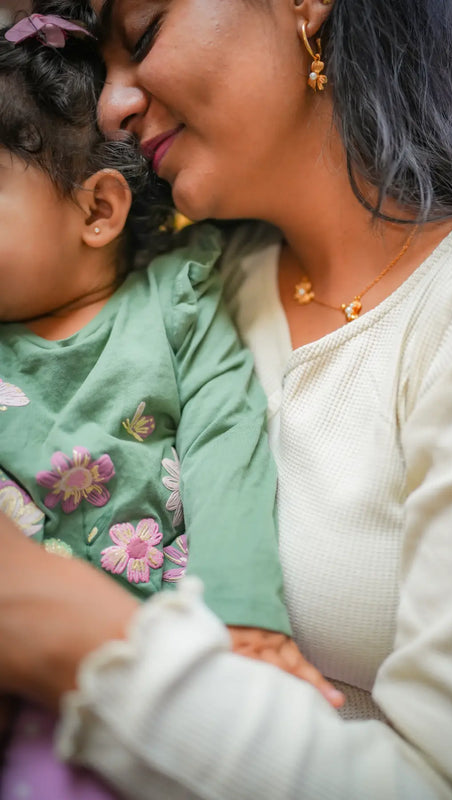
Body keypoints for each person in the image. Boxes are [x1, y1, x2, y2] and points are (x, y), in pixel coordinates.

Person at [0, 0, 452, 797]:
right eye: (103, 72)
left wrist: (65, 634)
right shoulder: (181, 290)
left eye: (143, 36)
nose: (114, 105)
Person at [0, 11, 341, 800]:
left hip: (172, 666)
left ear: (98, 211)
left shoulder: (178, 302)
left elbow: (229, 442)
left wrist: (245, 616)